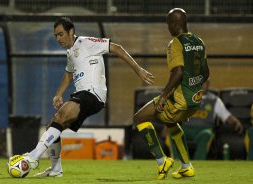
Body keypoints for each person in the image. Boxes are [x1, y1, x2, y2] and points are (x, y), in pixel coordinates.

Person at [23, 17, 155, 177]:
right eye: (55, 36)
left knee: (61, 115)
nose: (58, 38)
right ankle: (56, 169)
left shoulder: (86, 42)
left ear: (71, 31)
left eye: (61, 34)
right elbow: (69, 74)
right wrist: (59, 94)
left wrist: (138, 69)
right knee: (52, 125)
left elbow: (117, 48)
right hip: (82, 95)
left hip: (93, 93)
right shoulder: (70, 52)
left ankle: (33, 157)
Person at [133, 8, 209, 180]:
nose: (168, 28)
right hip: (195, 100)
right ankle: (186, 167)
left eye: (168, 24)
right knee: (171, 123)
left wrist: (163, 96)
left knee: (139, 118)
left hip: (179, 99)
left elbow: (178, 73)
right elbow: (206, 72)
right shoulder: (199, 41)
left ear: (175, 24)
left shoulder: (175, 43)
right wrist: (192, 90)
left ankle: (162, 161)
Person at [177, 79, 244, 160]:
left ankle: (198, 164)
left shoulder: (214, 100)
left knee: (207, 134)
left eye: (205, 83)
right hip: (186, 128)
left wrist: (236, 122)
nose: (203, 85)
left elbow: (226, 116)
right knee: (174, 132)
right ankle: (177, 163)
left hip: (203, 130)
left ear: (208, 85)